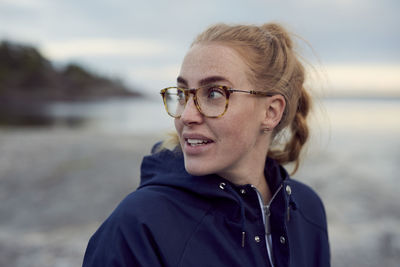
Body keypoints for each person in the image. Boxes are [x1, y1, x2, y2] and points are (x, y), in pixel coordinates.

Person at [83, 22, 330, 267]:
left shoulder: (307, 210)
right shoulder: (138, 227)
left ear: (271, 112)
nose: (186, 115)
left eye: (213, 93)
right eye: (182, 94)